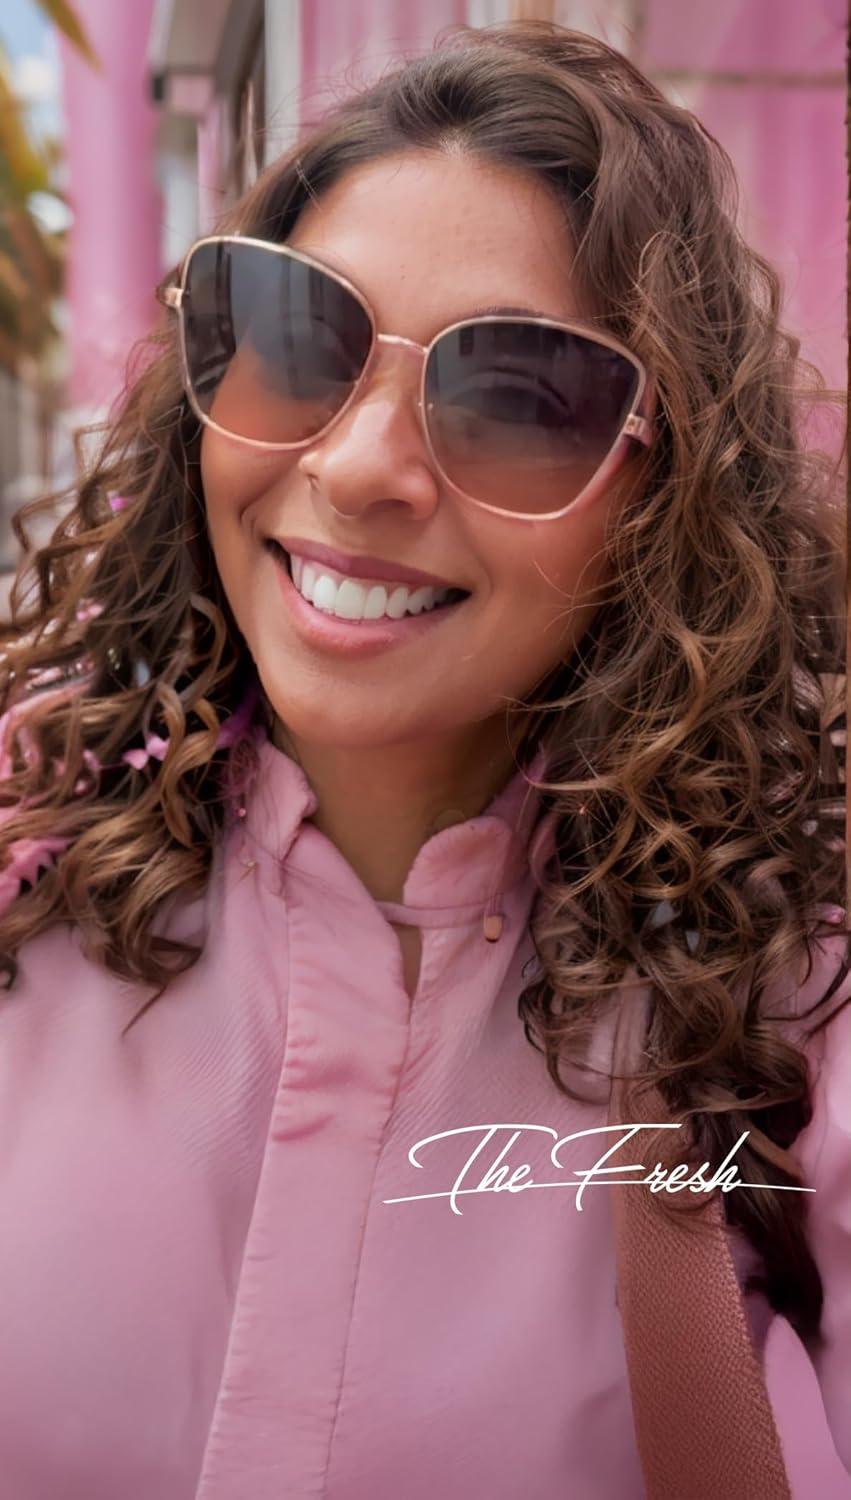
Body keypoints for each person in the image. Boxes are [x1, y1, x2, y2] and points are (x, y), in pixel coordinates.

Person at [0, 18, 846, 1500]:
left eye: (520, 396)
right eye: (294, 338)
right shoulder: (28, 897)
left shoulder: (794, 1012)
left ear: (665, 500)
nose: (356, 469)